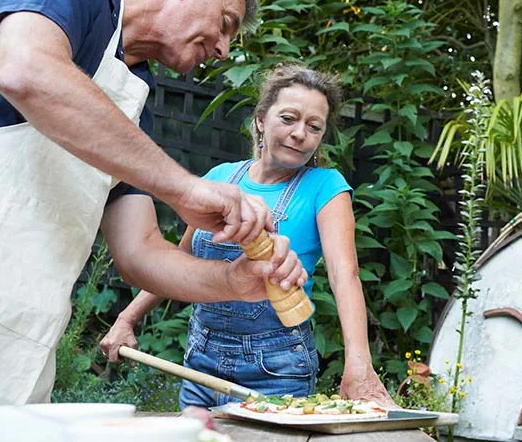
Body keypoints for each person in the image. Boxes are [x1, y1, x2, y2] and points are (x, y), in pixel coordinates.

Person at [0, 0, 308, 412]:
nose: (221, 49)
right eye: (225, 24)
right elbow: (26, 70)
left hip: (19, 328)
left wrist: (236, 281)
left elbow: (139, 253)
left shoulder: (134, 105)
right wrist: (183, 187)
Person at [100, 64, 396, 408]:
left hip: (276, 368)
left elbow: (344, 275)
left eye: (314, 126)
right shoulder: (222, 177)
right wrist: (126, 318)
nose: (300, 133)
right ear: (260, 120)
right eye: (288, 118)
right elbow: (178, 262)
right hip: (202, 360)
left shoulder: (326, 187)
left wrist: (358, 364)